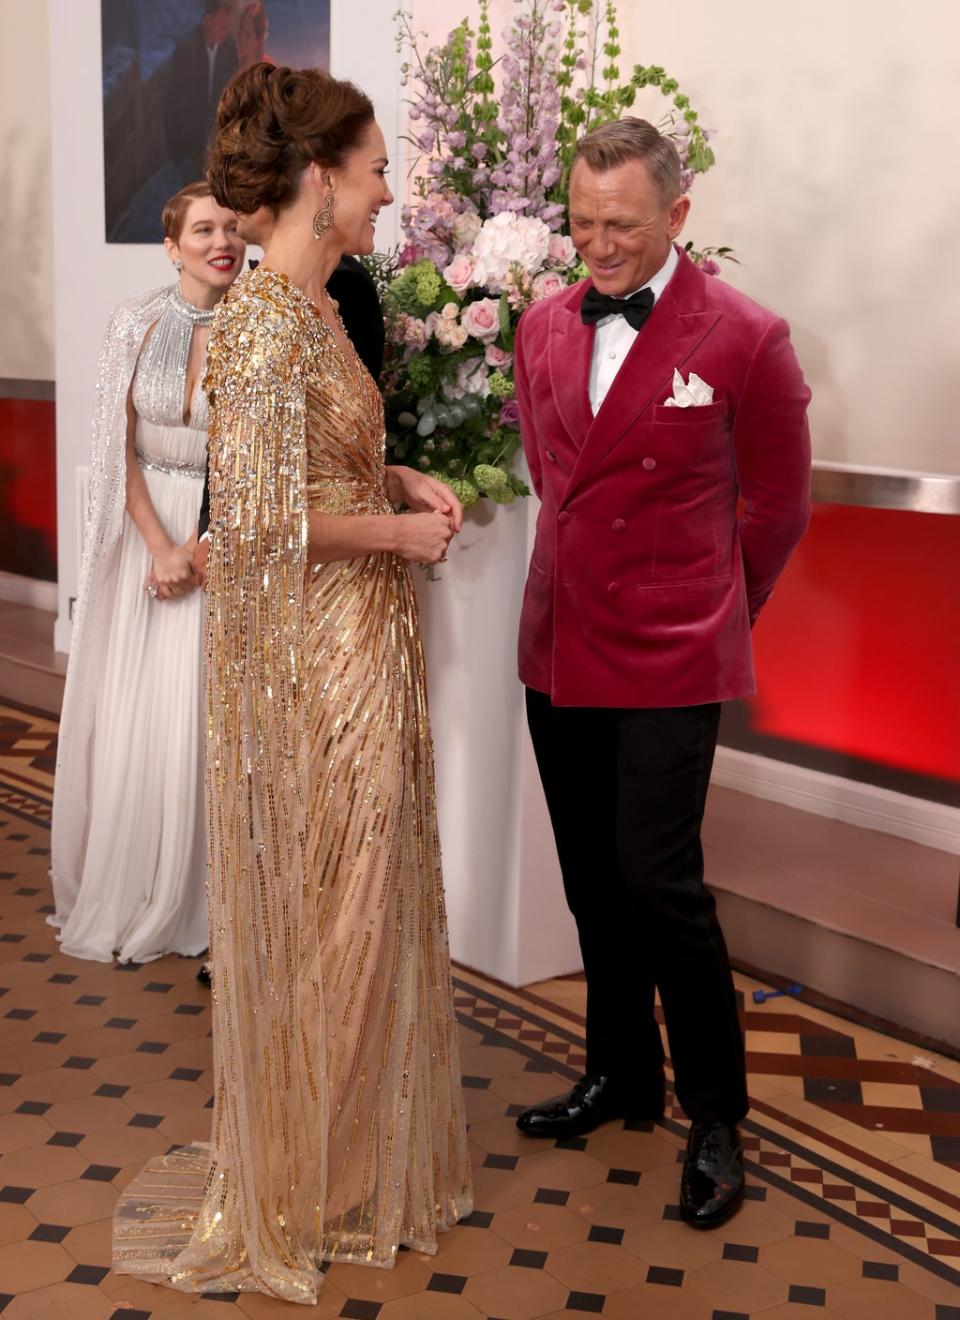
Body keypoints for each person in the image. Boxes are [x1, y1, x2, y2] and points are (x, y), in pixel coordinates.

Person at [113, 64, 473, 1302]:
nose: (386, 190)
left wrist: (399, 482)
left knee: (363, 906)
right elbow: (258, 525)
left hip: (366, 633)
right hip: (319, 656)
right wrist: (396, 539)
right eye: (374, 169)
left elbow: (324, 467)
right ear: (322, 180)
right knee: (340, 904)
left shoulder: (322, 311)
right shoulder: (264, 326)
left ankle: (326, 1158)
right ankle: (296, 1180)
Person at [512, 117, 812, 1229]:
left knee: (660, 883)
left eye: (623, 226)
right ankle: (621, 1074)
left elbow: (778, 506)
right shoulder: (541, 323)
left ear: (678, 217)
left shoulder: (746, 335)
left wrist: (715, 608)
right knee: (592, 878)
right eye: (583, 223)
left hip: (672, 649)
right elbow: (553, 474)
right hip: (558, 642)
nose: (598, 246)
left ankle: (718, 1115)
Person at [49, 183, 246, 964]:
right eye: (203, 228)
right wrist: (161, 547)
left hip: (223, 537)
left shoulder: (263, 330)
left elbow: (261, 458)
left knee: (199, 714)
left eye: (232, 226)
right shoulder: (134, 322)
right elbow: (115, 446)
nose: (221, 240)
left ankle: (199, 896)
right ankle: (132, 886)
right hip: (147, 534)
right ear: (171, 245)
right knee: (141, 713)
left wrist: (199, 546)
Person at [163, 0, 238, 186]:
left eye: (227, 26)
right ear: (207, 20)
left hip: (217, 149)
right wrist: (179, 155)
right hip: (188, 150)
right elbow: (171, 107)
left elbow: (233, 96)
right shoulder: (185, 51)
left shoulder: (229, 48)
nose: (226, 31)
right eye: (222, 26)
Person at [236, 1, 274, 69]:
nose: (241, 38)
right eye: (241, 30)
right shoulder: (232, 61)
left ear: (259, 40)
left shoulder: (267, 68)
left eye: (248, 34)